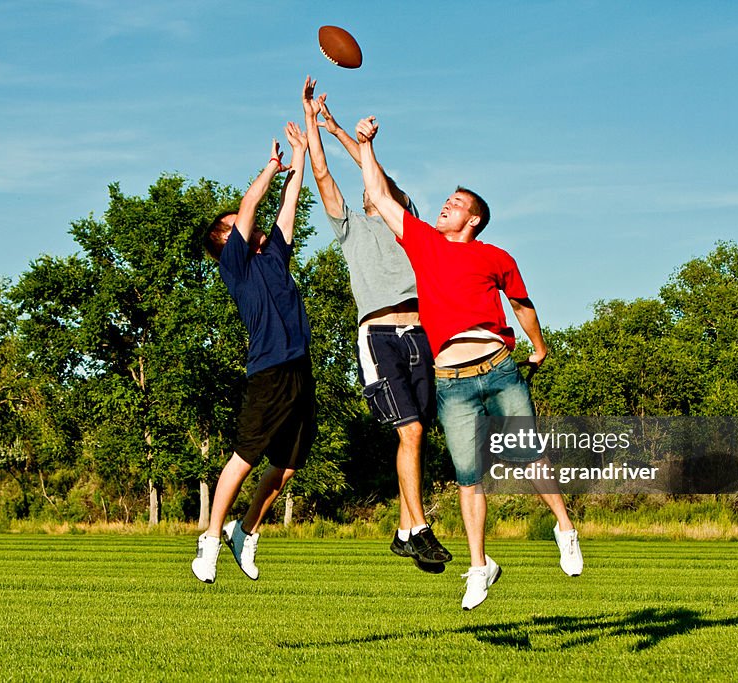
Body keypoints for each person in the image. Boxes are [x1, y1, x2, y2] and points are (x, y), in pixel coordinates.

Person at [354, 115, 583, 610]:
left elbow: (523, 304)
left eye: (455, 204)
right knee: (467, 477)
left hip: (498, 367)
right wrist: (366, 146)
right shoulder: (423, 243)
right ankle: (479, 567)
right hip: (451, 380)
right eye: (447, 201)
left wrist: (538, 347)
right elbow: (379, 194)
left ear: (473, 219)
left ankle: (565, 529)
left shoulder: (495, 256)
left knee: (529, 454)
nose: (445, 206)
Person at [300, 77, 451, 571]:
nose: (374, 192)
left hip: (421, 337)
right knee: (409, 433)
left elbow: (375, 173)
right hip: (379, 335)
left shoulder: (413, 232)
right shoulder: (351, 226)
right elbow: (323, 173)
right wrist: (318, 122)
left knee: (418, 435)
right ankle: (420, 528)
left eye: (381, 189)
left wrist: (356, 139)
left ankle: (404, 530)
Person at [191, 122, 315, 584]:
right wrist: (270, 167)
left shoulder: (273, 255)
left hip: (300, 370)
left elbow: (288, 205)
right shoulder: (235, 264)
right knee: (244, 458)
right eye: (233, 227)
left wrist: (299, 157)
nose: (246, 225)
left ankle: (244, 532)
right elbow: (249, 206)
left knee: (286, 468)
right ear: (225, 239)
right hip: (269, 371)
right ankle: (208, 541)